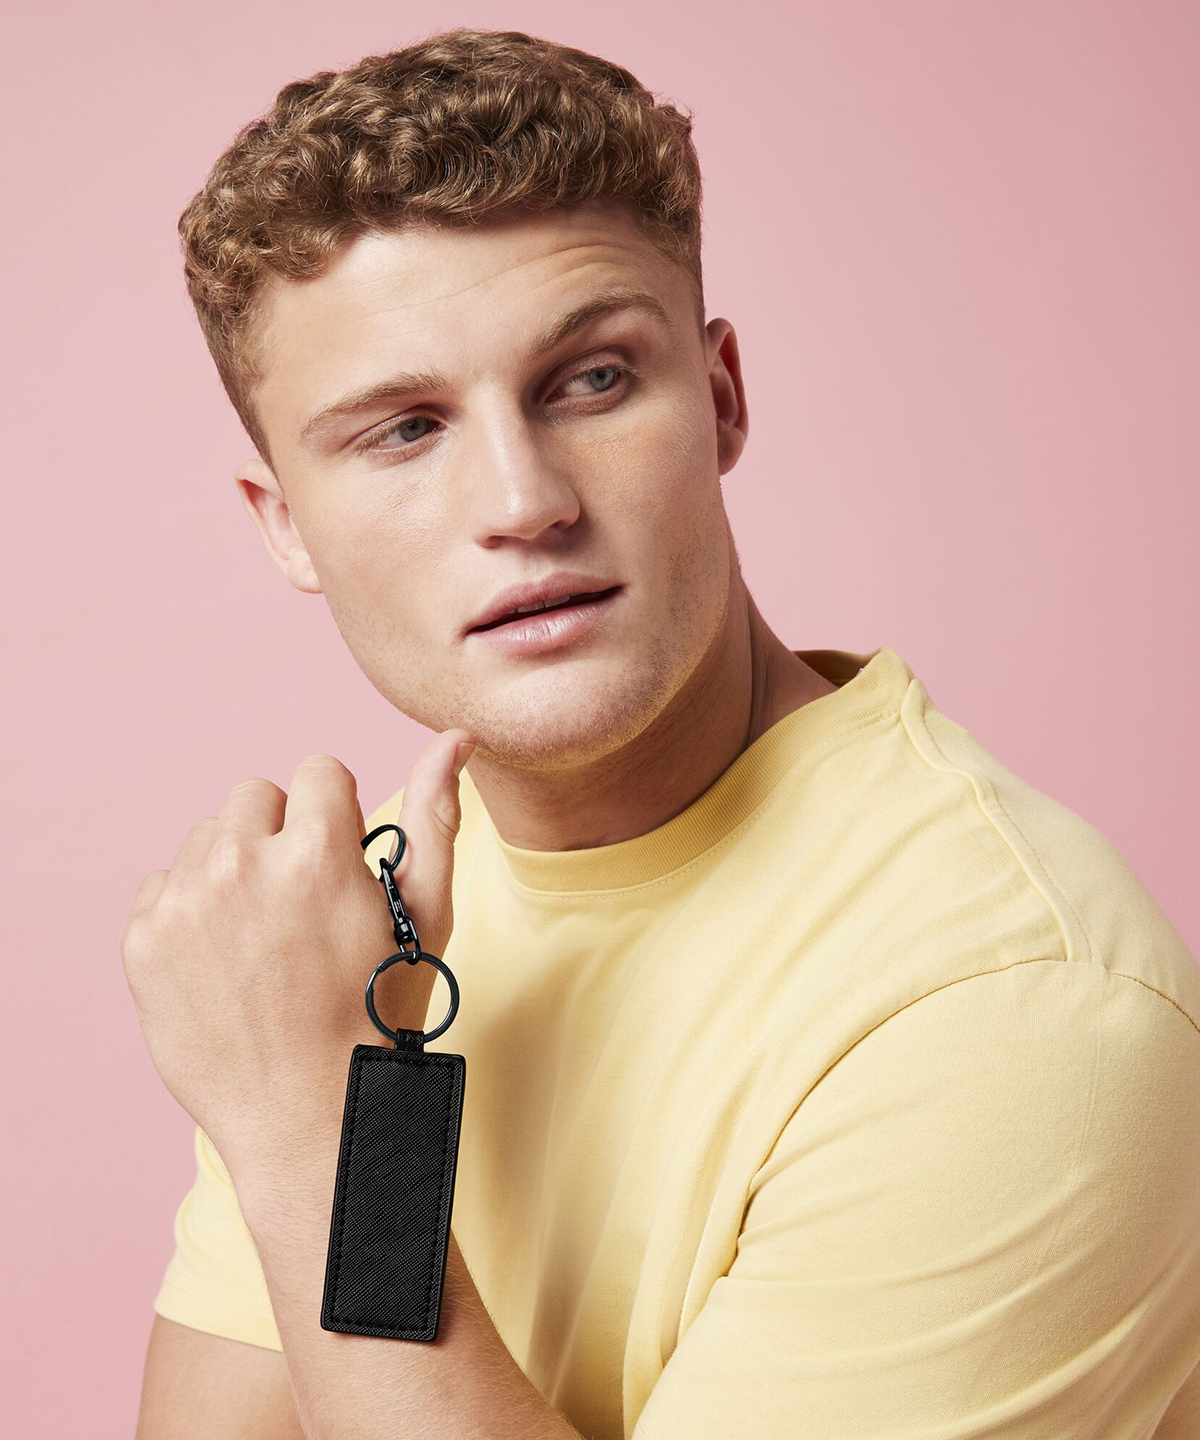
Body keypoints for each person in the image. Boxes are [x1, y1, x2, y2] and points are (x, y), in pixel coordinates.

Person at [133, 26, 1200, 1439]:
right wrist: (334, 1098)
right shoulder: (342, 941)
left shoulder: (1010, 1003)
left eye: (590, 380)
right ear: (285, 527)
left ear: (722, 398)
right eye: (404, 429)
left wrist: (316, 1129)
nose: (524, 501)